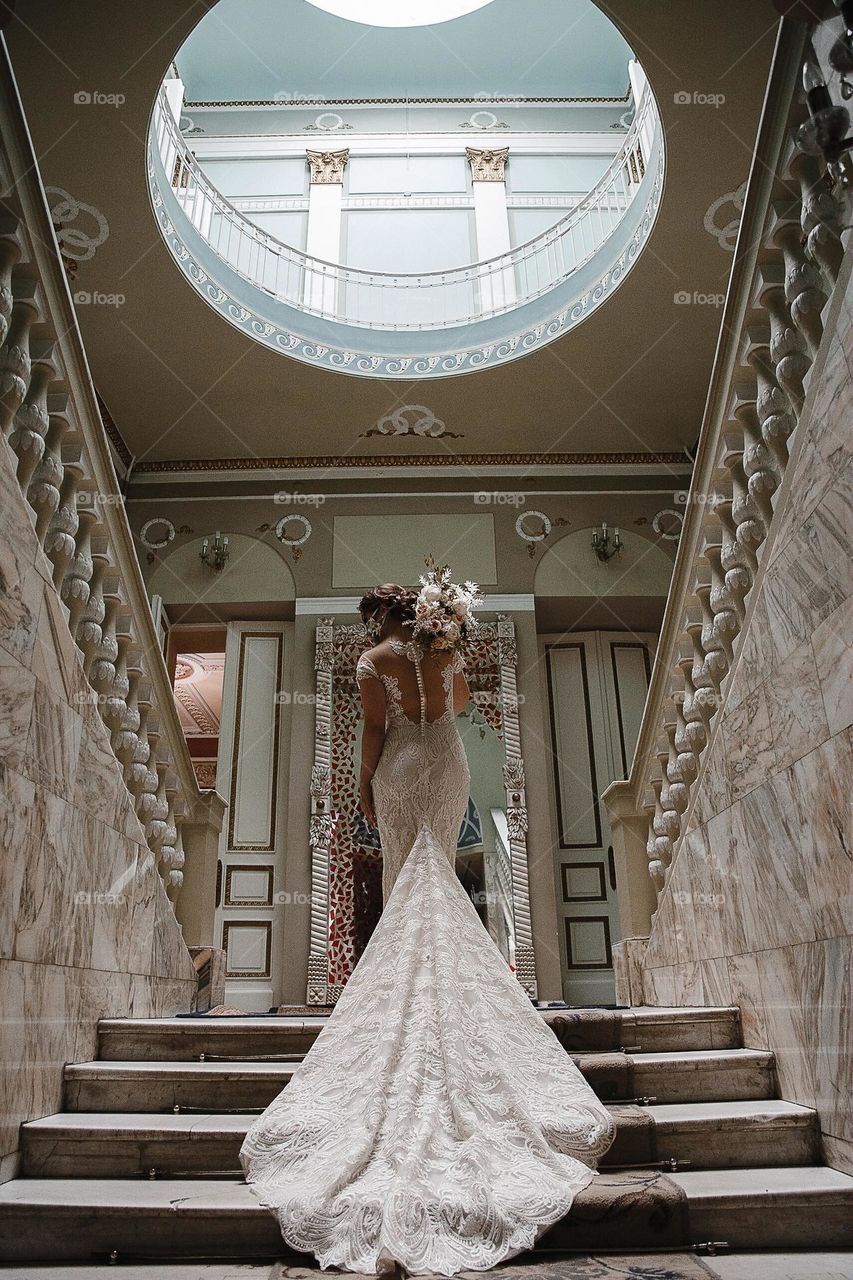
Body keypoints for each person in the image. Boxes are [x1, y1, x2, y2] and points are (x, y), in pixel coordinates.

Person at [240, 564, 615, 1277]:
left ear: (377, 620)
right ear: (421, 615)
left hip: (403, 764)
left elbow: (374, 731)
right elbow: (463, 705)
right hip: (446, 764)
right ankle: (454, 996)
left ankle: (409, 998)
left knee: (405, 882)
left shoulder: (372, 660)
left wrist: (365, 795)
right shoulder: (448, 652)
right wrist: (443, 657)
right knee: (437, 877)